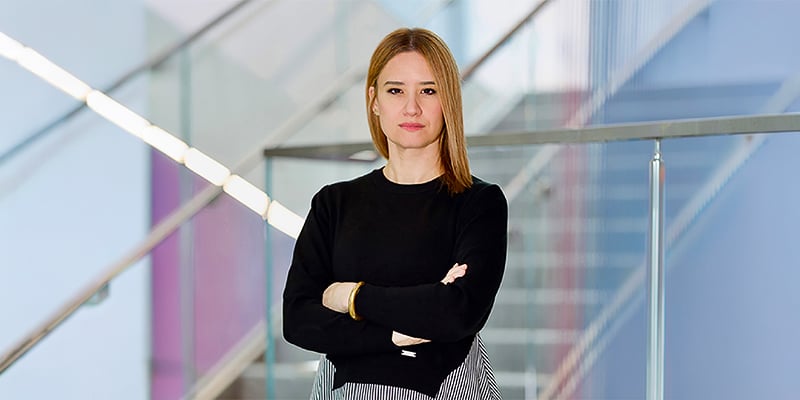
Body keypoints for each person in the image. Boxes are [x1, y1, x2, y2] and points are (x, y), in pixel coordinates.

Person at [282, 27, 508, 400]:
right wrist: (396, 332)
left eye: (428, 91)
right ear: (374, 100)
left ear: (449, 100)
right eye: (395, 90)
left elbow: (456, 312)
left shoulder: (479, 203)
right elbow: (298, 319)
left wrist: (349, 297)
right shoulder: (334, 203)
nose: (412, 107)